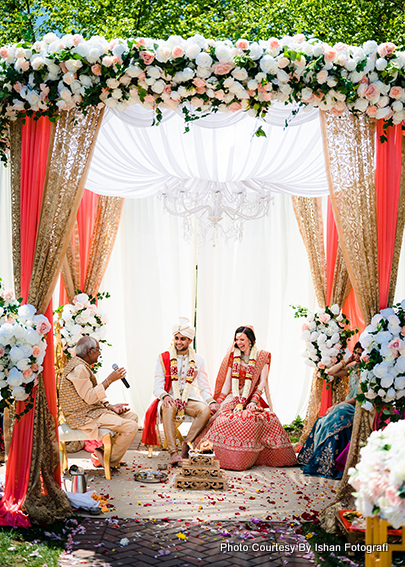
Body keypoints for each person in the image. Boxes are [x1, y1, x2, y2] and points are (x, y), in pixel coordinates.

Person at [195, 326, 297, 471]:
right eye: (236, 339)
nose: (238, 342)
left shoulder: (262, 357)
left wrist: (253, 401)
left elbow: (262, 382)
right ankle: (222, 457)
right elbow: (227, 384)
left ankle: (252, 457)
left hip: (252, 397)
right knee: (224, 419)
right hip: (233, 396)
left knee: (266, 418)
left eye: (242, 339)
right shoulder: (233, 356)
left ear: (251, 340)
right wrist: (219, 402)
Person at [142, 317, 219, 465]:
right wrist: (164, 396)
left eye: (182, 339)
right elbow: (157, 386)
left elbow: (203, 387)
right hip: (169, 397)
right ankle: (173, 452)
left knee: (204, 410)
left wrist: (211, 401)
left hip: (189, 400)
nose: (178, 342)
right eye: (176, 338)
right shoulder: (163, 358)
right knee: (168, 406)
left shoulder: (199, 360)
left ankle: (186, 444)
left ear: (190, 340)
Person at [59, 336, 138, 469]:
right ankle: (109, 461)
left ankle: (102, 453)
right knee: (131, 427)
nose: (100, 354)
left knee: (132, 417)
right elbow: (90, 397)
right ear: (90, 351)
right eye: (98, 350)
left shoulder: (81, 365)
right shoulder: (78, 369)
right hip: (82, 417)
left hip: (92, 412)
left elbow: (88, 393)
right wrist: (109, 380)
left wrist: (109, 406)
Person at [297, 342, 364, 479]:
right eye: (355, 353)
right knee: (322, 421)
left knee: (339, 410)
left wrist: (339, 404)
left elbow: (359, 397)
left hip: (357, 406)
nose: (357, 356)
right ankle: (316, 459)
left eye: (360, 353)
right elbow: (330, 372)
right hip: (345, 406)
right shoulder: (354, 368)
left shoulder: (368, 373)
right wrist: (348, 360)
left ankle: (326, 463)